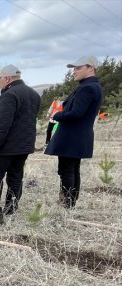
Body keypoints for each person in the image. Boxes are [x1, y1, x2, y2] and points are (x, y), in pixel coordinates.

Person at [45, 56, 103, 209]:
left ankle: (67, 203)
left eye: (78, 68)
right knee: (73, 169)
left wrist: (56, 115)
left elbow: (76, 114)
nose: (73, 72)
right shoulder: (89, 86)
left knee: (67, 170)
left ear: (90, 68)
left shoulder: (87, 88)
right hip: (77, 136)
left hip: (72, 136)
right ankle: (70, 202)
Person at [0, 64, 40, 224]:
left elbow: (2, 126)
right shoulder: (34, 94)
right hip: (24, 147)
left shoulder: (8, 95)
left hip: (5, 148)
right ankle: (11, 208)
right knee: (16, 178)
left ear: (7, 78)